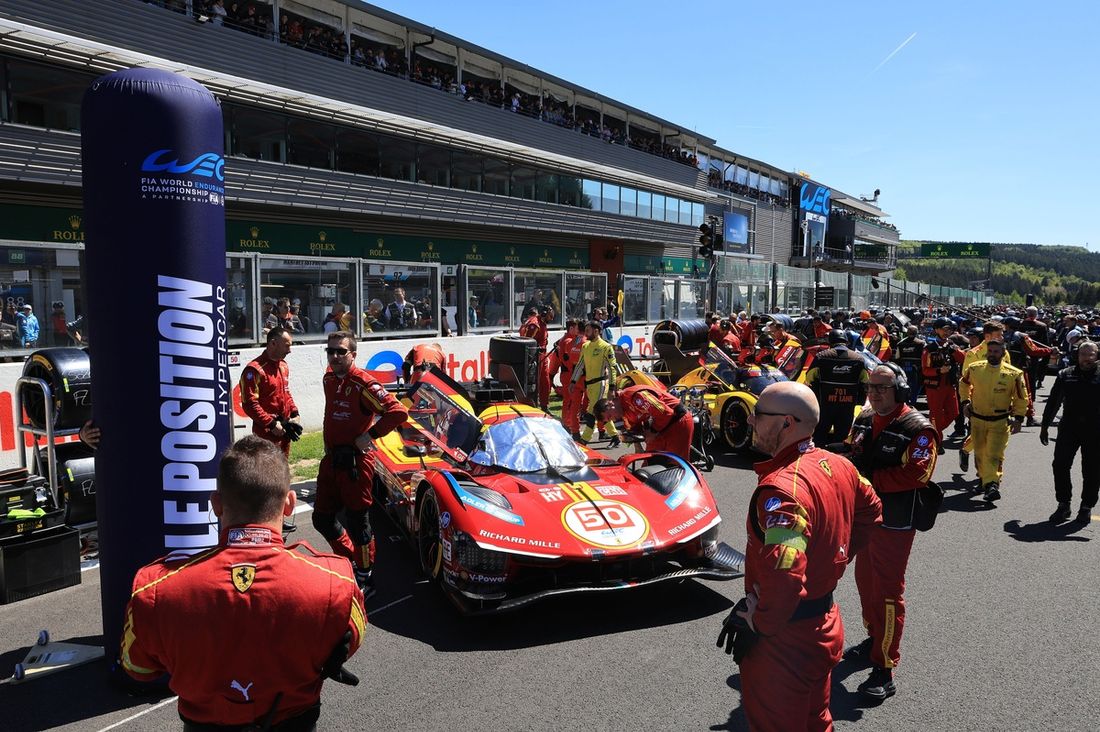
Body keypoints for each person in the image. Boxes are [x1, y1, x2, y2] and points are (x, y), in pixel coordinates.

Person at [120, 436, 365, 730]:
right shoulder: (335, 583)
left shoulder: (155, 590)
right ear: (289, 504)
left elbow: (138, 667)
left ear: (216, 505)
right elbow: (348, 644)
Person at [722, 381, 881, 731]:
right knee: (817, 721)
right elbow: (873, 511)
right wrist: (836, 556)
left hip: (784, 641)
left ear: (786, 424)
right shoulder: (840, 465)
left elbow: (786, 569)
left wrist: (759, 622)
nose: (750, 421)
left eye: (758, 414)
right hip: (824, 624)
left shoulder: (782, 489)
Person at [842, 363, 937, 701]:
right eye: (870, 386)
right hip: (863, 516)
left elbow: (917, 475)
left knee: (887, 591)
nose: (874, 392)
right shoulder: (864, 418)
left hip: (895, 521)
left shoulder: (919, 428)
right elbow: (851, 451)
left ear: (899, 389)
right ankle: (873, 637)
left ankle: (885, 667)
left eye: (882, 386)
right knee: (864, 581)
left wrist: (867, 481)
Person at [314, 331, 409, 598]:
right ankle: (351, 560)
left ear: (353, 355)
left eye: (340, 352)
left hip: (356, 463)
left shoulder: (364, 383)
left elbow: (398, 412)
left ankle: (366, 579)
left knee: (358, 522)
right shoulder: (329, 378)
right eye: (330, 351)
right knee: (321, 518)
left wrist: (369, 436)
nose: (334, 356)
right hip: (331, 459)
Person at [958, 339, 1028, 502]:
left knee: (994, 454)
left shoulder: (1014, 374)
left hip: (1000, 421)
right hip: (977, 419)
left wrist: (1018, 418)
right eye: (990, 351)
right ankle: (984, 480)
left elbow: (1021, 398)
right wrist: (965, 402)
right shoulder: (975, 368)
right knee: (980, 453)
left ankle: (992, 485)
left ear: (1003, 353)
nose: (992, 355)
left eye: (996, 352)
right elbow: (963, 384)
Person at [1040, 340, 1100, 523]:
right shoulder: (1066, 374)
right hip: (1069, 427)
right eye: (1083, 354)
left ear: (1096, 355)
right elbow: (1053, 401)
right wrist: (1044, 426)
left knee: (1092, 469)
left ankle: (1086, 506)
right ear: (1078, 355)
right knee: (1060, 465)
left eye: (1091, 354)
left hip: (1095, 430)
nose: (1087, 358)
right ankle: (1063, 504)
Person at [239, 326, 301, 458]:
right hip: (265, 435)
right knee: (265, 474)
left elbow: (286, 392)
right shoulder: (254, 370)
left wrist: (295, 413)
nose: (290, 350)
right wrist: (271, 424)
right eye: (287, 346)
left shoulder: (283, 366)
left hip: (284, 431)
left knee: (282, 470)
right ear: (273, 343)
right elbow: (249, 404)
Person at [805, 329, 869, 447]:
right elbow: (866, 382)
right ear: (846, 341)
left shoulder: (821, 357)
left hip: (824, 406)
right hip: (847, 407)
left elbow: (809, 378)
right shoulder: (858, 359)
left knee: (819, 438)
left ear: (830, 341)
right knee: (842, 440)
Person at [594, 384, 693, 459]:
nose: (614, 419)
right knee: (648, 464)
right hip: (660, 426)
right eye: (610, 419)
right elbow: (634, 428)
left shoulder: (634, 396)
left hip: (678, 420)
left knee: (676, 465)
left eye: (610, 416)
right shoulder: (623, 412)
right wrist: (636, 443)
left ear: (611, 404)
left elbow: (664, 412)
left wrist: (652, 432)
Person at [571, 320, 619, 446]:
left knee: (591, 411)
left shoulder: (606, 347)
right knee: (600, 411)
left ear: (596, 331)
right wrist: (573, 381)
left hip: (601, 384)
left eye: (588, 330)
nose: (585, 333)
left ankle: (584, 440)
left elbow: (612, 368)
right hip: (589, 385)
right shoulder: (585, 346)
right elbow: (580, 365)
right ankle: (615, 437)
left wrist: (612, 387)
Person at [921, 319, 962, 447]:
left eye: (949, 329)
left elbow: (963, 358)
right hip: (935, 386)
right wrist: (939, 370)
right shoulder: (929, 348)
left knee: (954, 412)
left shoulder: (952, 345)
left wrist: (954, 350)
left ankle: (932, 432)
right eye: (944, 329)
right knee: (936, 414)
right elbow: (925, 370)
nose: (946, 332)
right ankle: (936, 439)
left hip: (950, 384)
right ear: (936, 330)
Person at [550, 319, 585, 438]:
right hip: (570, 375)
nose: (578, 330)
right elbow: (568, 361)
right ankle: (567, 423)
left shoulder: (565, 340)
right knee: (570, 401)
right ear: (571, 329)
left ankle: (567, 423)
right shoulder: (569, 341)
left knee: (569, 401)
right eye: (576, 328)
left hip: (568, 374)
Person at [519, 305, 553, 410]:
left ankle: (544, 405)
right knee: (535, 382)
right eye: (549, 315)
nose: (551, 317)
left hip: (541, 355)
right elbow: (527, 341)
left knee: (545, 381)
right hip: (536, 356)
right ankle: (532, 405)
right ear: (544, 313)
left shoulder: (540, 322)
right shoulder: (535, 323)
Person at [893, 325, 926, 405]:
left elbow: (897, 357)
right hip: (917, 369)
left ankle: (906, 401)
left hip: (904, 369)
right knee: (917, 386)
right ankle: (912, 402)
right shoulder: (922, 343)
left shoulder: (900, 343)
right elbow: (925, 357)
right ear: (917, 332)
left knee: (904, 385)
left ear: (907, 333)